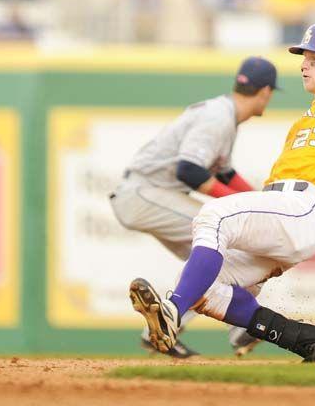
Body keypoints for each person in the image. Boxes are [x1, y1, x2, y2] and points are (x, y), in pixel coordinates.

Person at [129, 0, 315, 361]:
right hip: (288, 211)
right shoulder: (310, 116)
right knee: (202, 287)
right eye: (305, 58)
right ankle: (307, 341)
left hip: (300, 207)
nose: (303, 64)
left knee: (212, 217)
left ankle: (170, 314)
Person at [110, 56, 280, 357]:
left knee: (210, 264)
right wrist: (241, 206)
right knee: (224, 245)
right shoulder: (218, 117)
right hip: (143, 193)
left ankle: (164, 330)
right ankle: (238, 327)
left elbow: (224, 173)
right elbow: (188, 170)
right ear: (265, 91)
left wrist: (259, 201)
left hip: (150, 194)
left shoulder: (224, 114)